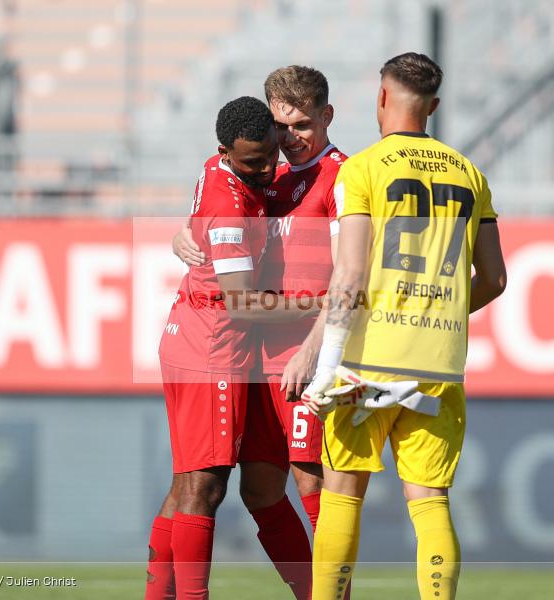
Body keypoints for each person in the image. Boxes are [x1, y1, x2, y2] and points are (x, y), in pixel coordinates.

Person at [301, 52, 507, 600]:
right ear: (433, 106)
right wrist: (438, 314)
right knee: (431, 502)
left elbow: (349, 275)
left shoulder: (362, 168)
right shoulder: (470, 174)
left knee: (342, 496)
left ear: (382, 96)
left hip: (366, 361)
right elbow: (494, 278)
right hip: (438, 364)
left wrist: (325, 368)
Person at [173, 66, 348, 599]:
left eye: (302, 126)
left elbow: (352, 273)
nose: (290, 139)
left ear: (326, 116)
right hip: (255, 352)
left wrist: (317, 344)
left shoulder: (344, 176)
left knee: (313, 480)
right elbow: (218, 206)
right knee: (260, 491)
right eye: (282, 126)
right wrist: (182, 234)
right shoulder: (265, 171)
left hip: (306, 351)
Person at [149, 96, 318, 600]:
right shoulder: (228, 206)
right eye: (252, 162)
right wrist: (324, 305)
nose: (266, 168)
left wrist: (182, 233)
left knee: (195, 485)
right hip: (215, 346)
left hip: (211, 338)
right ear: (225, 152)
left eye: (269, 155)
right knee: (204, 487)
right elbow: (243, 303)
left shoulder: (221, 169)